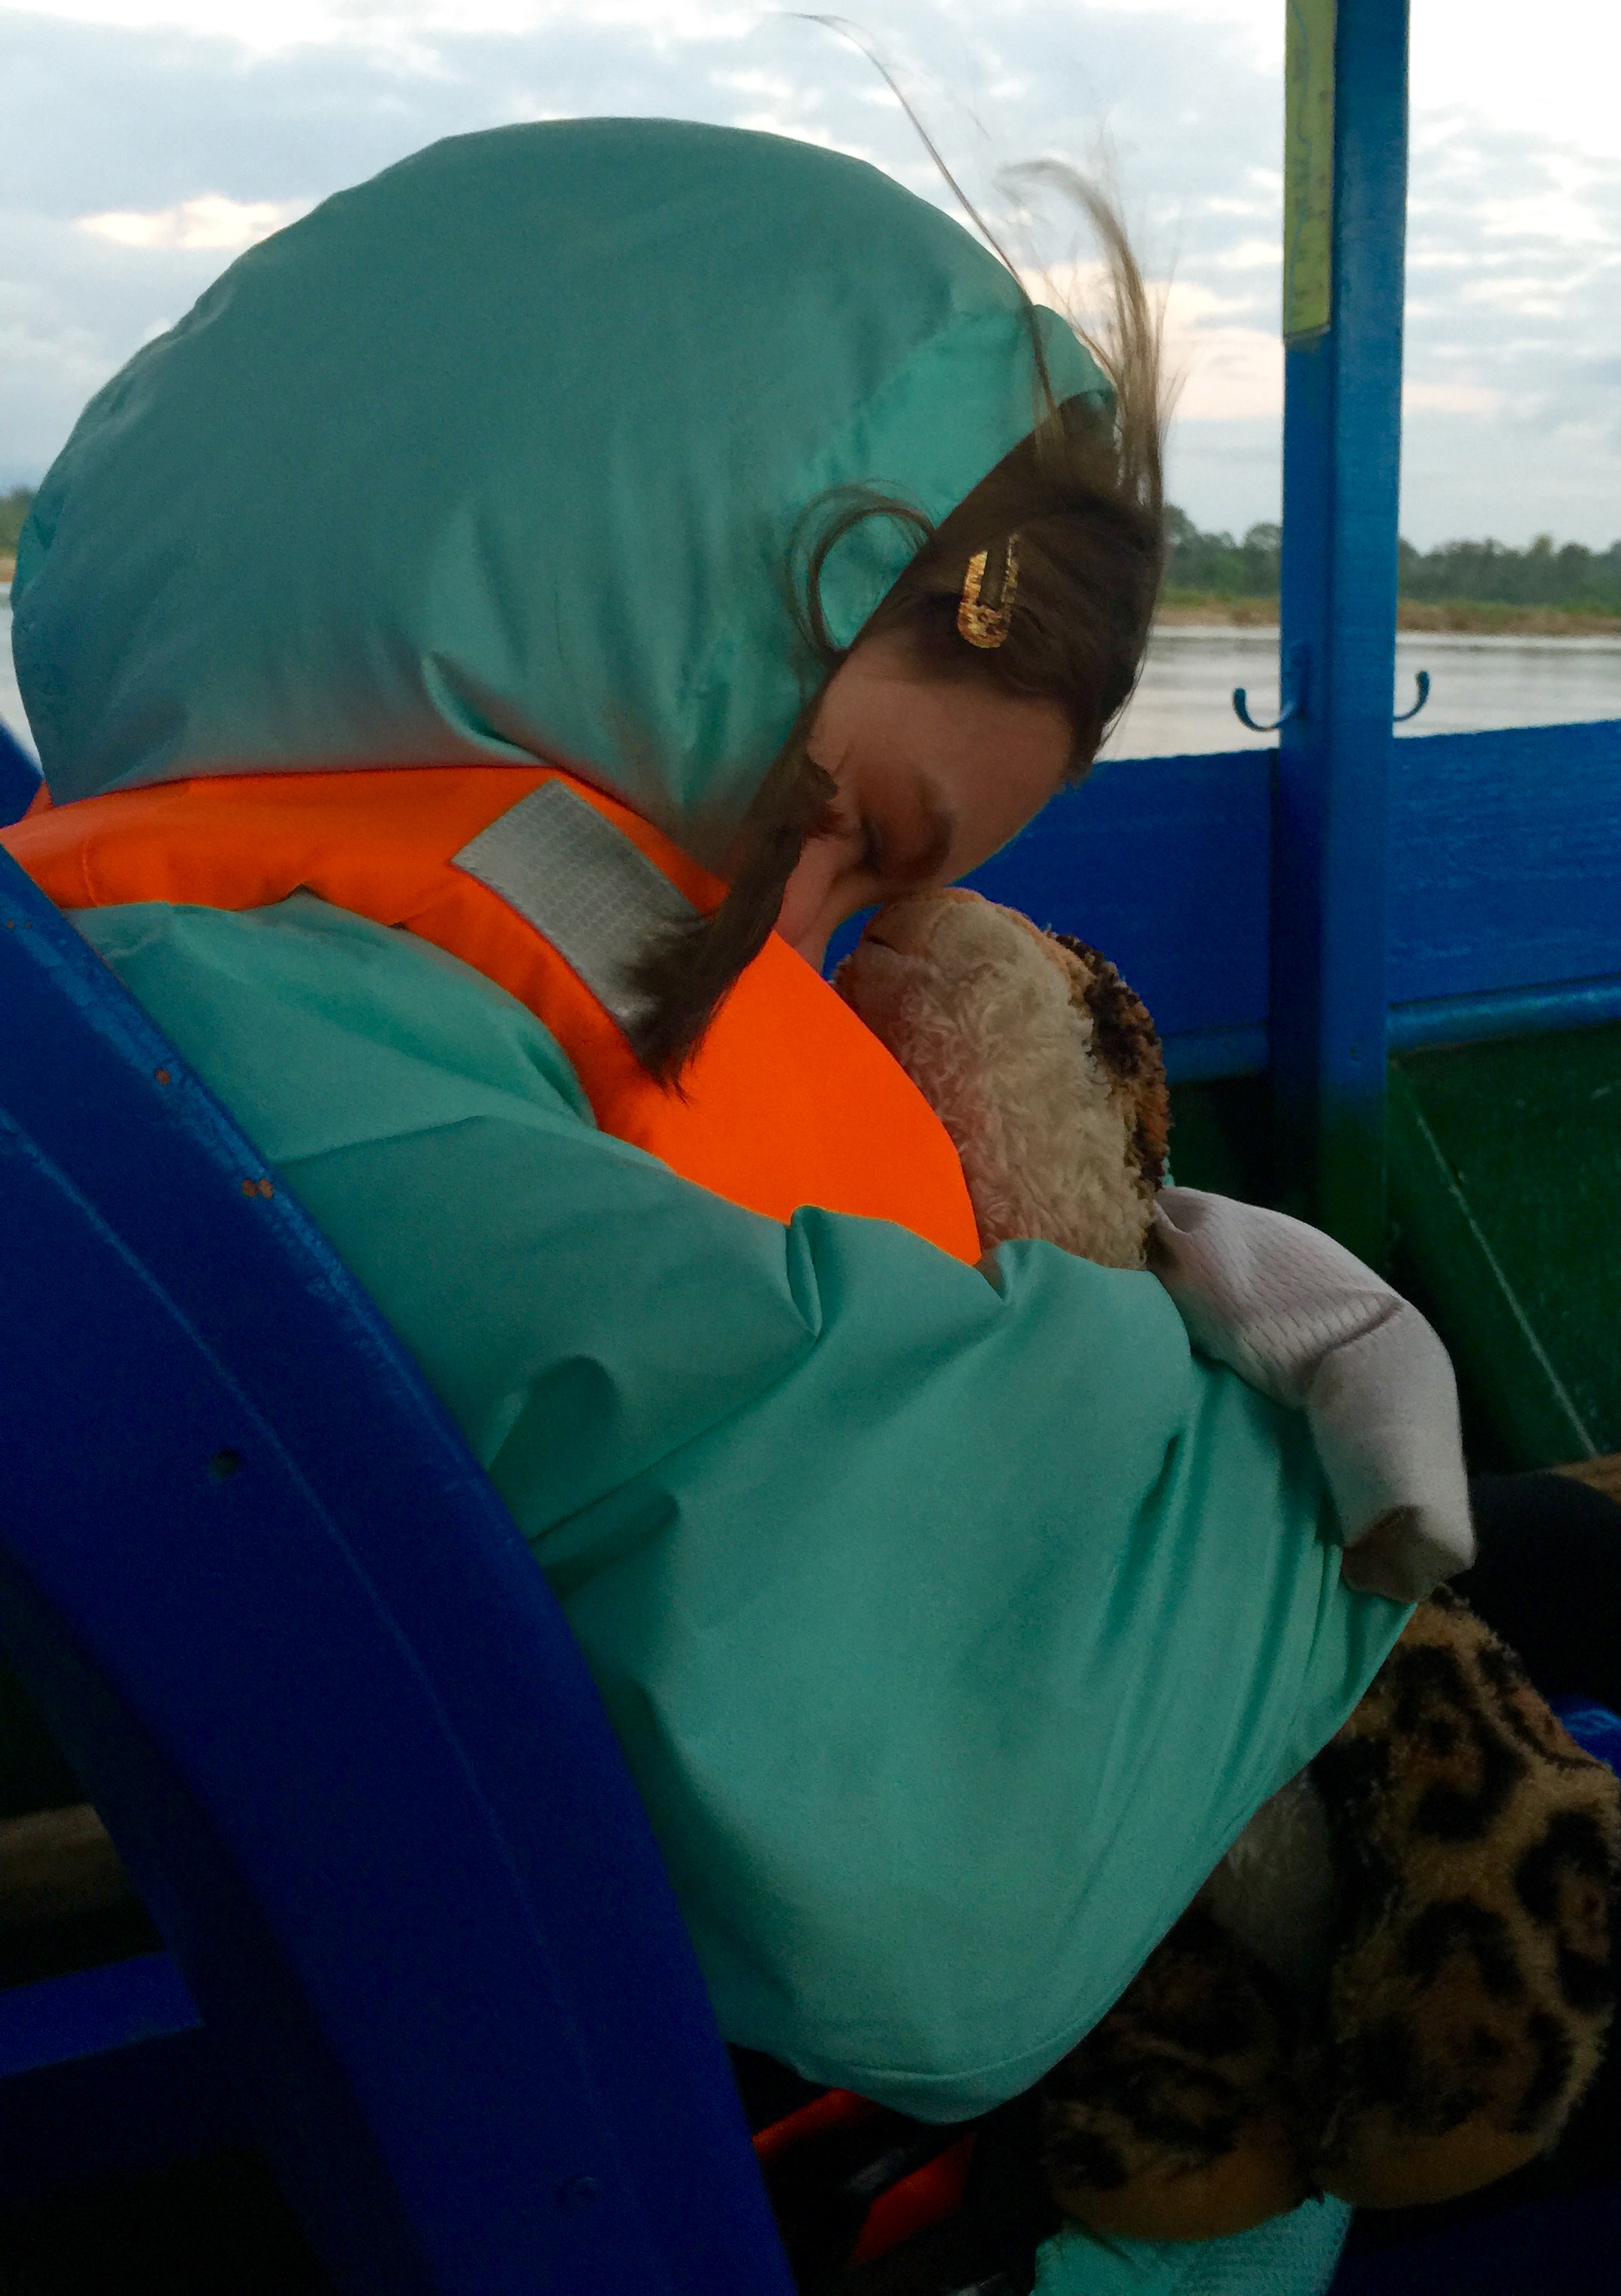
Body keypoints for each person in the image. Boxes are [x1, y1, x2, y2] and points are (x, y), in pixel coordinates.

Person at [4, 117, 1410, 2294]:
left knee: (1580, 1582)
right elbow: (953, 1867)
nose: (809, 925)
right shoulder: (313, 1040)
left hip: (660, 2011)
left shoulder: (222, 980)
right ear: (633, 576)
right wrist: (1292, 1420)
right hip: (924, 2165)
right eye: (843, 822)